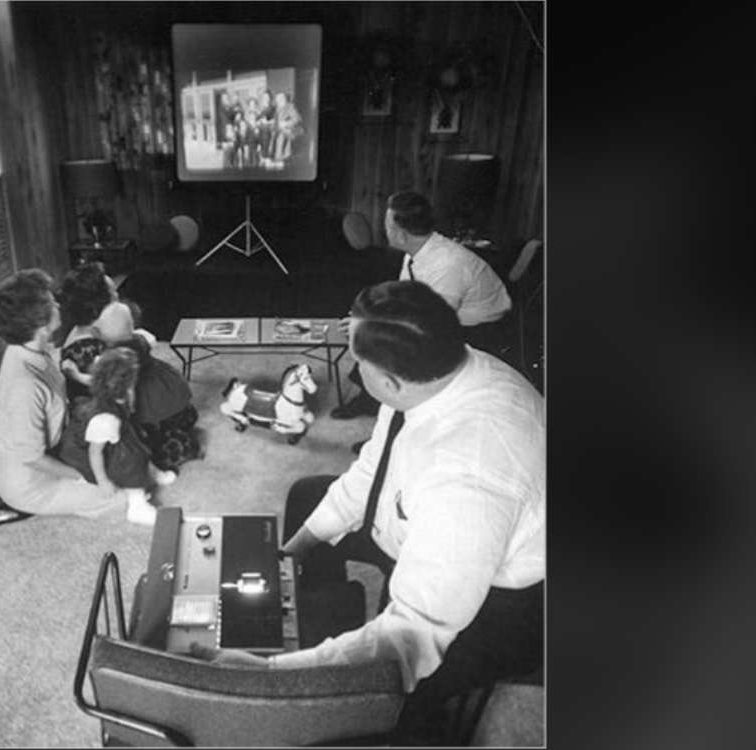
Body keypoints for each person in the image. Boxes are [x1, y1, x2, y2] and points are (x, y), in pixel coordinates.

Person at [190, 280, 544, 745]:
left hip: (496, 607)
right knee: (308, 497)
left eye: (358, 361)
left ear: (389, 380)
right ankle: (316, 626)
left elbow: (410, 636)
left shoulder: (467, 481)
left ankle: (345, 692)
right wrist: (293, 552)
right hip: (424, 527)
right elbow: (371, 473)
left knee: (380, 709)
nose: (355, 368)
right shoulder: (435, 374)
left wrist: (274, 675)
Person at [332, 190, 512, 425]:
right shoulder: (418, 250)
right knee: (374, 333)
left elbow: (429, 325)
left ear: (402, 235)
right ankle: (370, 399)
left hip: (483, 331)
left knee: (397, 349)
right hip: (445, 315)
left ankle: (399, 422)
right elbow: (405, 298)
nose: (384, 230)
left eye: (388, 226)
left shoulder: (448, 265)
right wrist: (365, 319)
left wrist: (371, 325)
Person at [0, 269, 129, 528]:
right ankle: (15, 505)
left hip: (59, 446)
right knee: (124, 496)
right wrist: (81, 476)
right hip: (31, 480)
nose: (58, 304)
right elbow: (31, 457)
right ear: (40, 324)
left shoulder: (32, 348)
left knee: (124, 455)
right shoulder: (24, 387)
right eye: (52, 302)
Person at [57, 347, 176, 526]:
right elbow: (94, 453)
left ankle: (152, 472)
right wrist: (102, 480)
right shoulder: (106, 420)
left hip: (110, 434)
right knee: (132, 458)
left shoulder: (110, 391)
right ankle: (137, 506)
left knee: (140, 439)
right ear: (125, 384)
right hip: (87, 454)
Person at [94, 301, 201, 471]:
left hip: (143, 393)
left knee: (145, 428)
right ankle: (180, 422)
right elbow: (151, 340)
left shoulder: (111, 355)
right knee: (180, 414)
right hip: (163, 384)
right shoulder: (140, 339)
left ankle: (169, 437)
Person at [56, 262, 119, 403]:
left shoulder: (93, 330)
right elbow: (108, 387)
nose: (117, 295)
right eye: (112, 293)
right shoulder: (85, 347)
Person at [271, 91, 303, 167]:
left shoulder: (289, 107)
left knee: (282, 135)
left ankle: (280, 159)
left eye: (281, 98)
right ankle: (276, 159)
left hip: (289, 130)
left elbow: (297, 118)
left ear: (285, 99)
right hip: (277, 131)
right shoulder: (277, 110)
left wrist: (286, 124)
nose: (279, 100)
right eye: (277, 99)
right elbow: (275, 123)